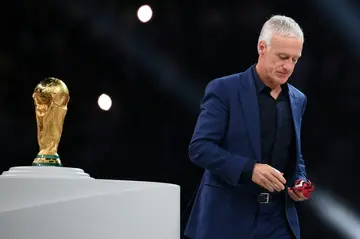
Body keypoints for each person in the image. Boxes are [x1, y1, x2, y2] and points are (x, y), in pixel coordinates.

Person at [184, 15, 313, 239]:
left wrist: (299, 180)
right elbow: (200, 148)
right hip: (227, 218)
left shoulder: (297, 99)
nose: (288, 67)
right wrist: (249, 169)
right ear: (262, 47)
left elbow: (294, 154)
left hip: (278, 219)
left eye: (295, 59)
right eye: (282, 57)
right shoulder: (224, 89)